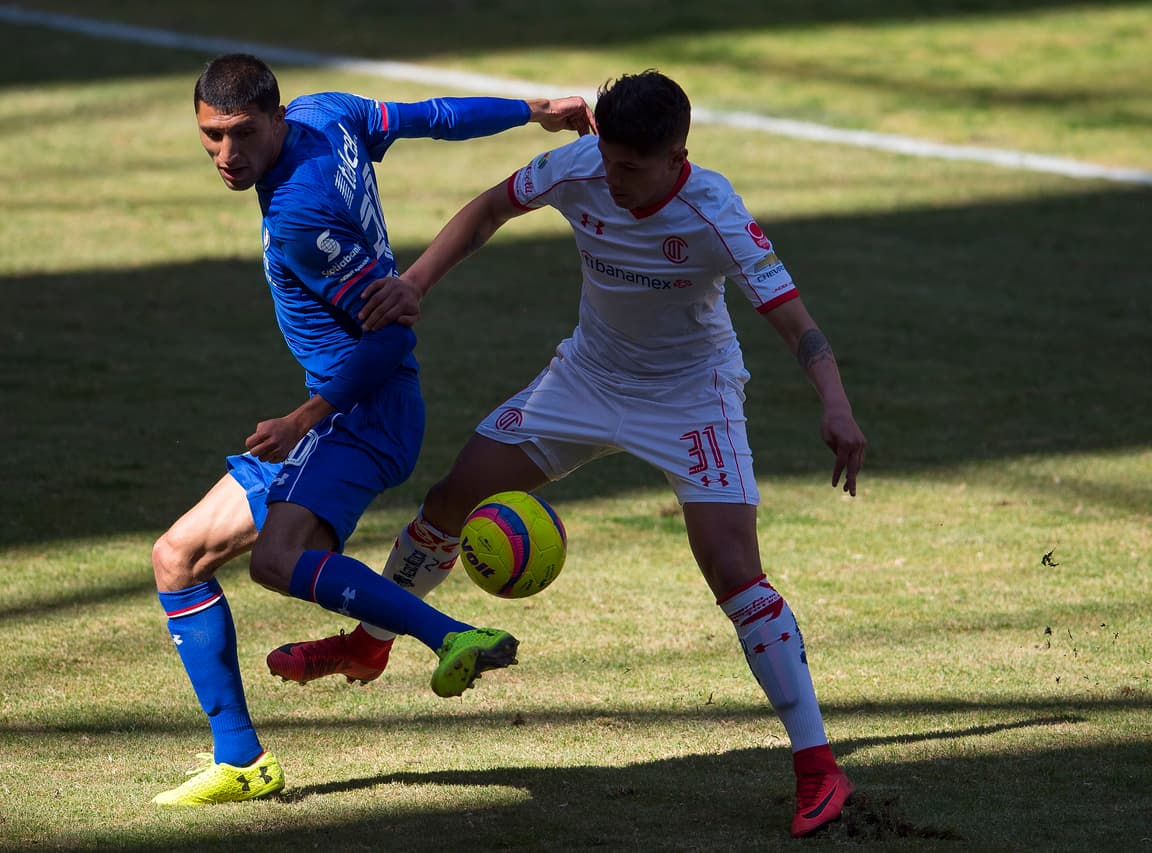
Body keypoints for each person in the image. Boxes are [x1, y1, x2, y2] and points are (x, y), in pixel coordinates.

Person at [275, 70, 867, 837]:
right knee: (455, 493)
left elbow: (797, 322)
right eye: (608, 159)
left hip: (691, 396)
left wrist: (837, 403)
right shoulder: (580, 164)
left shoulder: (715, 212)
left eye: (630, 168)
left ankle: (819, 767)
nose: (611, 178)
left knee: (733, 570)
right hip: (586, 378)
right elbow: (489, 208)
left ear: (677, 155)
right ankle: (369, 644)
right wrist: (415, 280)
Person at [150, 52, 596, 806]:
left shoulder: (299, 214)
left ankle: (447, 633)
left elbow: (390, 337)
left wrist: (304, 418)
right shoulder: (329, 115)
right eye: (211, 136)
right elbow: (432, 117)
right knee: (178, 557)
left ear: (275, 118)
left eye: (242, 134)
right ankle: (243, 760)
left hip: (358, 411)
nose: (227, 156)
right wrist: (529, 109)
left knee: (277, 559)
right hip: (356, 410)